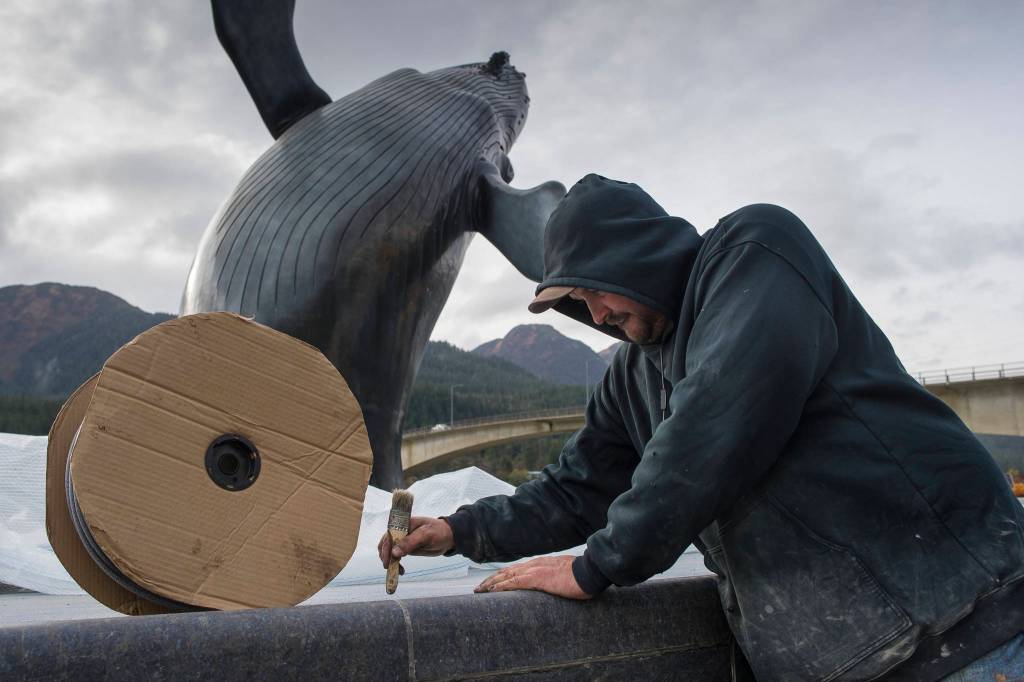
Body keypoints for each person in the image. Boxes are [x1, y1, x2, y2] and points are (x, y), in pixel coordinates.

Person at [379, 175, 1024, 680]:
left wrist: (597, 565)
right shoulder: (629, 380)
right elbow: (574, 488)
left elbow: (717, 417)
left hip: (965, 628)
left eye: (591, 287)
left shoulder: (757, 252)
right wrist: (459, 530)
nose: (594, 311)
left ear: (636, 254)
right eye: (576, 304)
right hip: (837, 663)